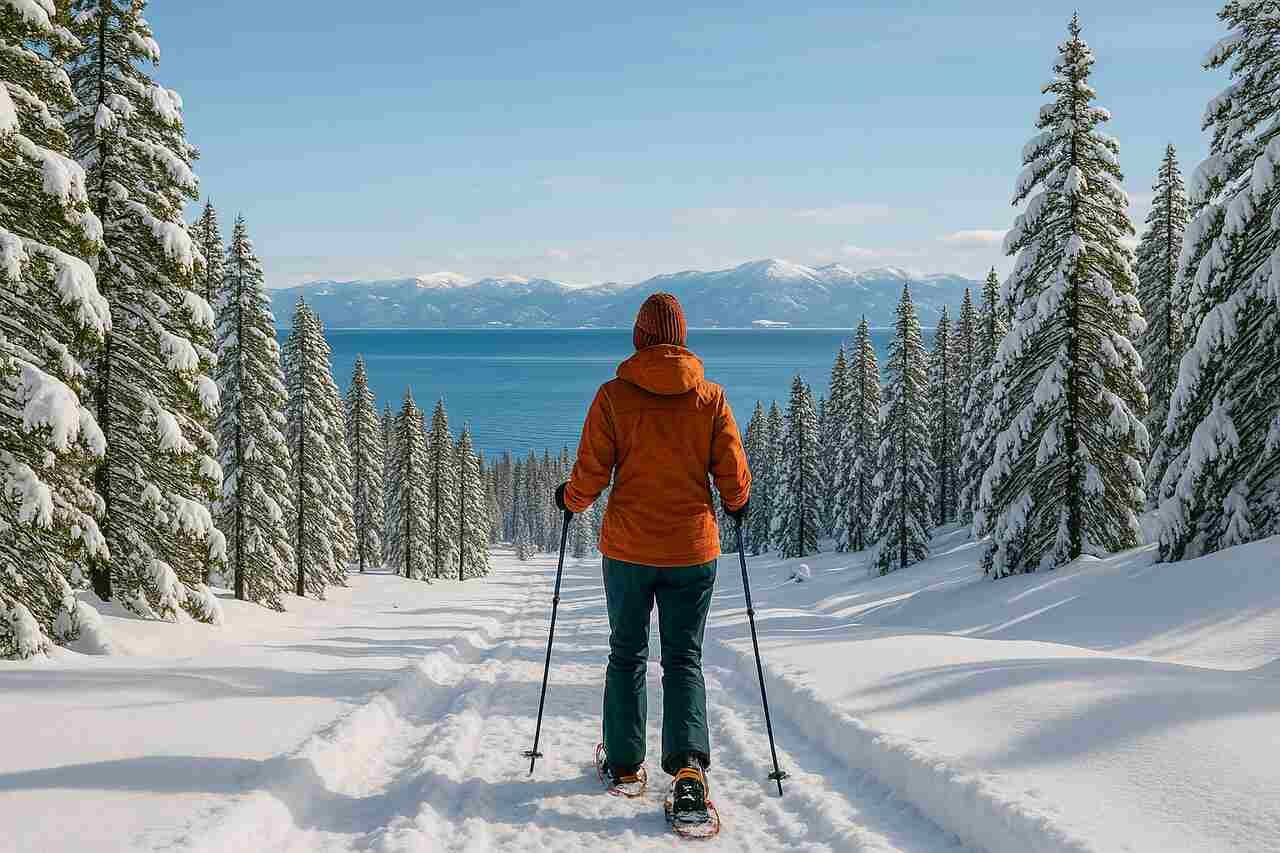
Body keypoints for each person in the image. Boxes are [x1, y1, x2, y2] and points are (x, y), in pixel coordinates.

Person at [555, 292, 751, 824]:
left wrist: (568, 500)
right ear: (682, 338)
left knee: (627, 655)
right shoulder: (710, 398)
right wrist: (737, 504)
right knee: (684, 657)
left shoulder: (614, 396)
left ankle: (623, 766)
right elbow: (733, 475)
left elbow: (591, 473)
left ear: (639, 338)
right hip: (692, 550)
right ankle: (688, 770)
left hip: (628, 551)